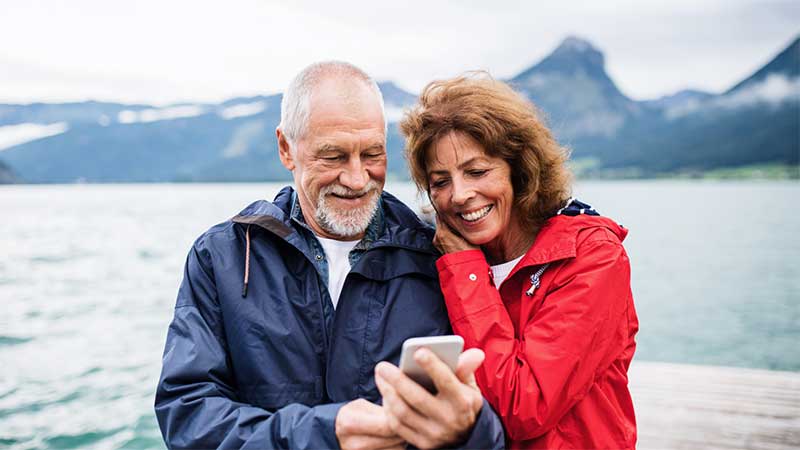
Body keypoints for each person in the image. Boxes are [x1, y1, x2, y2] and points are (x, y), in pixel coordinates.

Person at [154, 62, 505, 450]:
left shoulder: (439, 257)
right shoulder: (221, 257)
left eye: (372, 154)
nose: (357, 179)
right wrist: (323, 432)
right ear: (286, 148)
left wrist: (468, 429)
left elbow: (496, 423)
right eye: (334, 157)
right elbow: (186, 416)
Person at [384, 74, 639, 449]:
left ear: (518, 168)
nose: (460, 195)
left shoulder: (592, 255)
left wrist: (466, 271)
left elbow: (524, 405)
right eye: (440, 181)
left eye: (477, 172)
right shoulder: (438, 256)